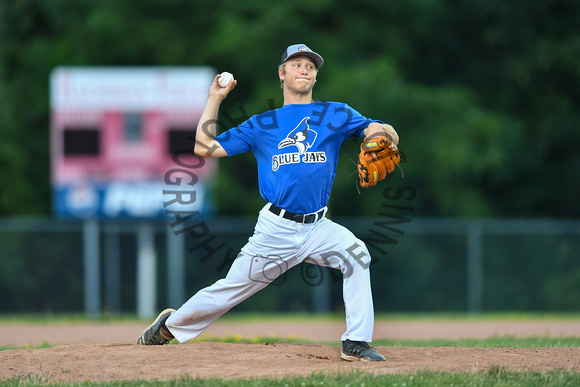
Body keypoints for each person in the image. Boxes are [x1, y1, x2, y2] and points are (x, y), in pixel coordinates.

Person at [136, 44, 399, 361]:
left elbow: (379, 130)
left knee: (357, 254)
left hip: (318, 227)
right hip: (276, 230)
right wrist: (215, 99)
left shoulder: (335, 113)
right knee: (229, 291)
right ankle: (169, 326)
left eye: (310, 66)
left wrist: (381, 136)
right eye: (296, 64)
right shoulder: (264, 124)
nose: (304, 69)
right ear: (282, 73)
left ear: (315, 76)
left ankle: (355, 342)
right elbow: (205, 148)